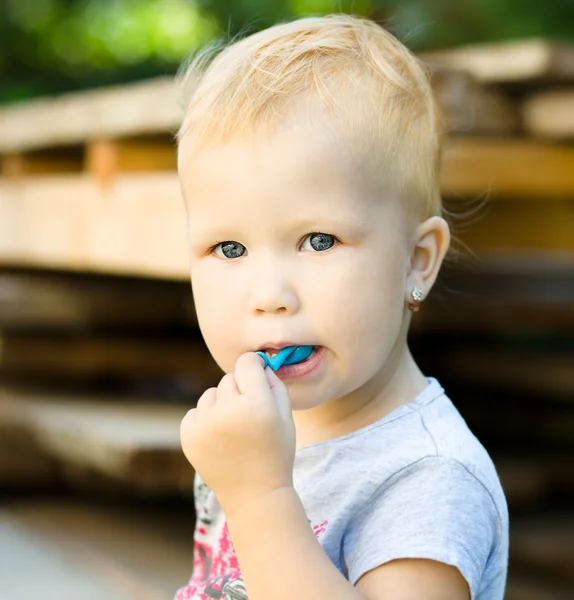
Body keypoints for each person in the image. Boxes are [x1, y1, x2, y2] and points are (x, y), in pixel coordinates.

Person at [174, 13, 508, 600]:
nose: (269, 296)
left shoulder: (429, 481)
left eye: (319, 241)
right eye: (230, 248)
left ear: (417, 261)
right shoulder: (259, 430)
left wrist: (258, 498)